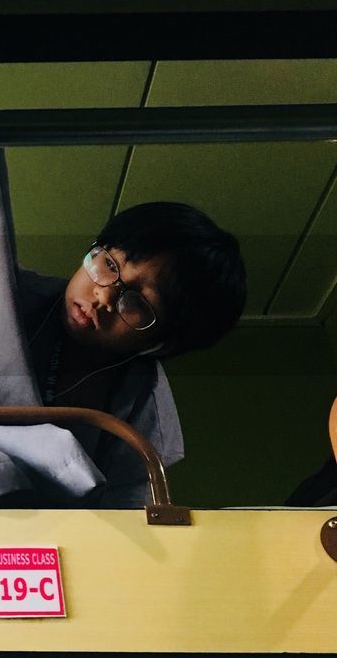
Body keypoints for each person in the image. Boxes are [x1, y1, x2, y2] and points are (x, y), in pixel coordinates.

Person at [16, 201, 247, 506]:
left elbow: (123, 516)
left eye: (137, 302)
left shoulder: (146, 421)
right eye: (110, 265)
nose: (104, 295)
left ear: (162, 344)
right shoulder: (3, 296)